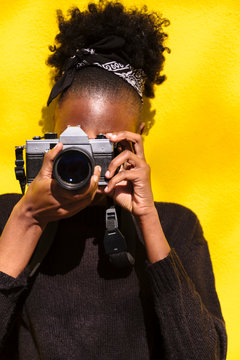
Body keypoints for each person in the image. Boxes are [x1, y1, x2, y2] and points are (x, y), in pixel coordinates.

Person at [0, 1, 227, 359]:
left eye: (102, 145)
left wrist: (147, 220)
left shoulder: (176, 225)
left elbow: (203, 355)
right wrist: (27, 218)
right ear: (50, 137)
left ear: (135, 140)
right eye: (75, 143)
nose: (86, 162)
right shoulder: (10, 214)